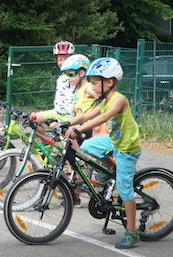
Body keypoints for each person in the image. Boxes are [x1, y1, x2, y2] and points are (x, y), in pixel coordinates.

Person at [63, 57, 142, 249]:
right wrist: (67, 123)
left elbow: (104, 118)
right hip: (114, 141)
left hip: (126, 148)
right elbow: (86, 115)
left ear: (110, 81)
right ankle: (112, 168)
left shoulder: (119, 100)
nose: (92, 86)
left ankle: (132, 232)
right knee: (88, 146)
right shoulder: (105, 100)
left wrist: (79, 129)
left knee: (124, 189)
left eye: (95, 82)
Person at [50, 54, 98, 208]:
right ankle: (75, 197)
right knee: (70, 158)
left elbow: (102, 100)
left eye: (71, 74)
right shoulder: (76, 89)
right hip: (77, 128)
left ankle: (82, 187)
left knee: (74, 157)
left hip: (87, 129)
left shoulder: (87, 88)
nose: (68, 78)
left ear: (82, 73)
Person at [29, 41, 76, 137]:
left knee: (66, 148)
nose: (63, 62)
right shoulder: (60, 77)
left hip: (68, 116)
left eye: (66, 59)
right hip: (56, 112)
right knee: (33, 119)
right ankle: (49, 142)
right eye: (60, 59)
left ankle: (59, 146)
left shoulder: (74, 77)